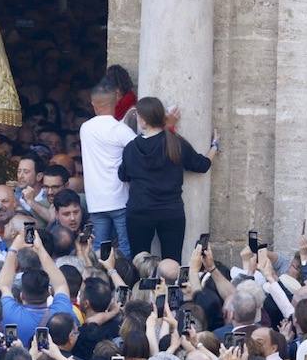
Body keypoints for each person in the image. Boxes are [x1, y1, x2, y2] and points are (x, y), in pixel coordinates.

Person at [118, 96, 217, 260]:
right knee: (172, 263)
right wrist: (215, 146)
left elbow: (123, 175)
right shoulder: (175, 143)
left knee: (138, 262)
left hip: (139, 212)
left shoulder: (131, 148)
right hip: (171, 212)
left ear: (142, 121)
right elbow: (202, 165)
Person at [79, 80, 136, 259]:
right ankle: (125, 283)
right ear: (116, 102)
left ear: (93, 104)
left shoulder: (85, 128)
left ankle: (100, 282)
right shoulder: (121, 130)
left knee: (99, 248)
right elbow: (140, 151)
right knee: (126, 247)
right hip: (120, 198)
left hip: (96, 200)